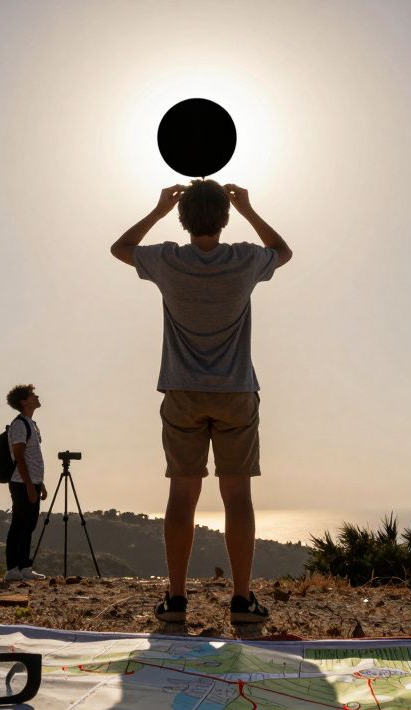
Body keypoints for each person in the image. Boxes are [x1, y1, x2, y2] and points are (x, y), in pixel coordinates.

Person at [111, 180, 293, 624]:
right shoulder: (245, 259)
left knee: (182, 493)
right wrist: (247, 208)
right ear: (225, 218)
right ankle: (242, 601)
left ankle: (175, 600)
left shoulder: (168, 259)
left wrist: (158, 210)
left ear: (182, 219)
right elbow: (283, 251)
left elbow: (121, 248)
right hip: (235, 391)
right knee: (237, 495)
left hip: (182, 391)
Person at [4, 384, 47, 581]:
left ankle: (24, 566)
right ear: (23, 401)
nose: (36, 396)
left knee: (29, 525)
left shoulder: (32, 424)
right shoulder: (19, 425)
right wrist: (29, 485)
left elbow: (32, 457)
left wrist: (40, 484)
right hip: (21, 483)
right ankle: (12, 568)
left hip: (32, 482)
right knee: (19, 524)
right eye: (32, 395)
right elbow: (19, 456)